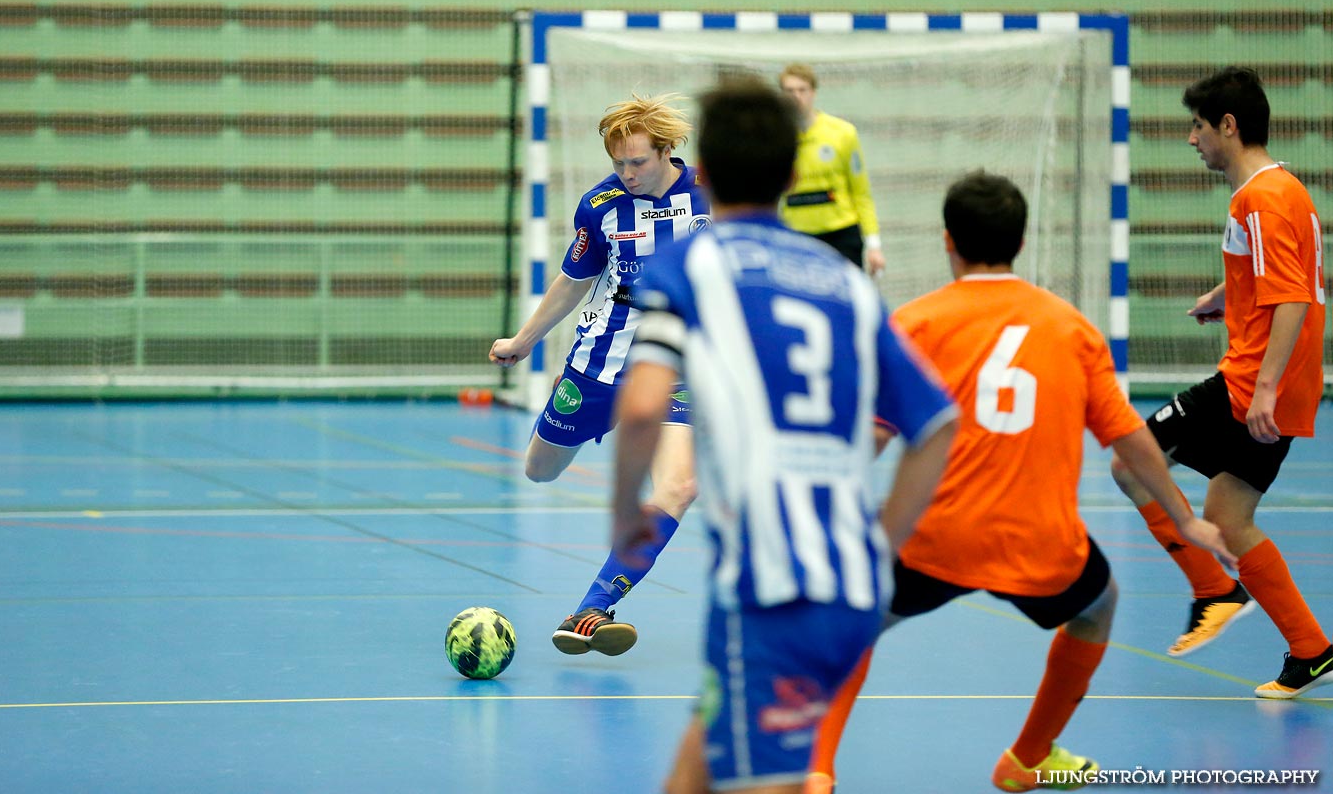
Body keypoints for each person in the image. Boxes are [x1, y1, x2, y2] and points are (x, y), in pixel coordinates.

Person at [804, 171, 1235, 793]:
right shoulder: (1071, 327)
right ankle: (1027, 759)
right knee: (1099, 604)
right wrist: (1185, 518)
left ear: (947, 240)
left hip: (931, 539)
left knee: (848, 622)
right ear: (1022, 240)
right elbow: (1131, 440)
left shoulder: (916, 322)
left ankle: (817, 771)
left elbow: (870, 436)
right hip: (1041, 546)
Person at [609, 83, 958, 794]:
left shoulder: (692, 266)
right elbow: (938, 422)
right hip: (850, 587)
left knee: (763, 781)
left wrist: (623, 515)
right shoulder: (844, 281)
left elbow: (643, 408)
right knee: (698, 765)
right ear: (794, 177)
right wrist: (883, 545)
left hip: (773, 590)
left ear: (701, 165)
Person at [1110, 67, 1332, 698]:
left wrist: (1260, 390)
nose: (1191, 140)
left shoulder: (1255, 198)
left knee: (1131, 465)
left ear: (1228, 127)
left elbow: (1291, 298)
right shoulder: (1288, 189)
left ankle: (1214, 590)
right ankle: (1312, 649)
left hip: (1250, 388)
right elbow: (1282, 277)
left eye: (1198, 127)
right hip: (1287, 387)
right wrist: (1224, 296)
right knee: (1229, 519)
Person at [490, 94, 710, 657]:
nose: (627, 174)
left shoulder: (716, 194)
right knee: (540, 470)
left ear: (667, 149)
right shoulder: (601, 206)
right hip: (601, 363)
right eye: (618, 163)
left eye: (638, 162)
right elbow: (572, 280)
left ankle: (593, 606)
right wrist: (523, 341)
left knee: (680, 487)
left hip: (678, 369)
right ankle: (606, 431)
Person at [777, 63, 886, 276]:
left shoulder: (842, 133)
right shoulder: (775, 137)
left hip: (841, 235)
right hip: (797, 236)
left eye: (802, 90)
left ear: (813, 93)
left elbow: (861, 192)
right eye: (789, 91)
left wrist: (874, 245)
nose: (796, 96)